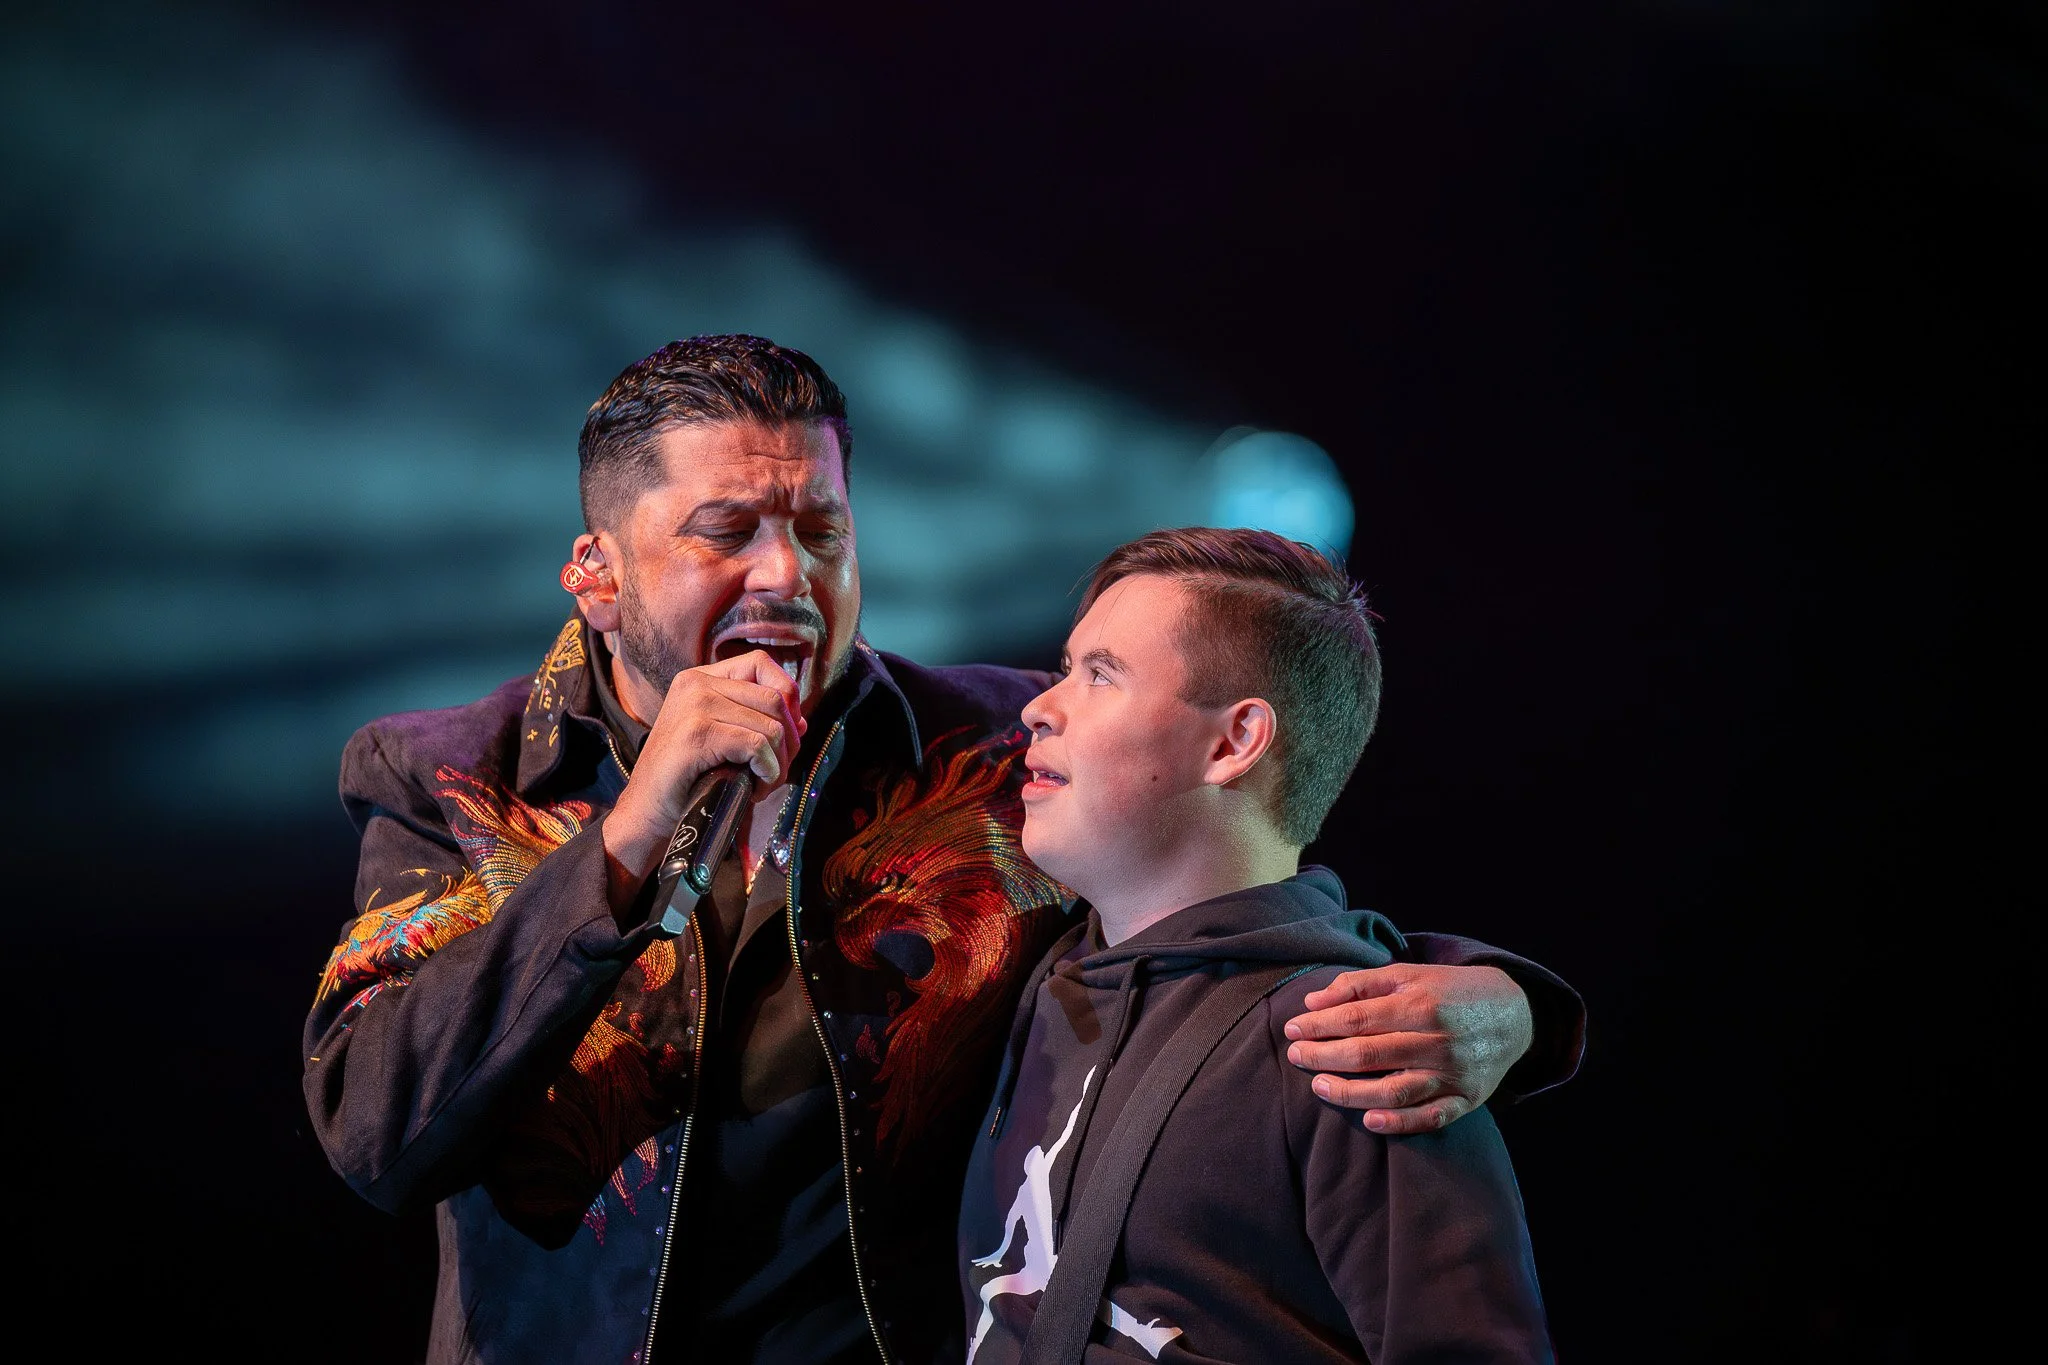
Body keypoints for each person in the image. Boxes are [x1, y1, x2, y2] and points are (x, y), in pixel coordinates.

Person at [301, 334, 1583, 1365]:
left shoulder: (982, 749)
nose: (783, 575)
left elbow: (1229, 868)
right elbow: (378, 1130)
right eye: (725, 530)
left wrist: (1501, 998)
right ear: (595, 573)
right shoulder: (447, 778)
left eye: (819, 528)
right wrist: (633, 831)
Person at [959, 527, 1554, 1363]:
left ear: (1234, 742)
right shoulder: (1038, 973)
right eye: (1066, 667)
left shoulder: (1362, 1049)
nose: (1037, 704)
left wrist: (1520, 1006)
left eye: (1100, 674)